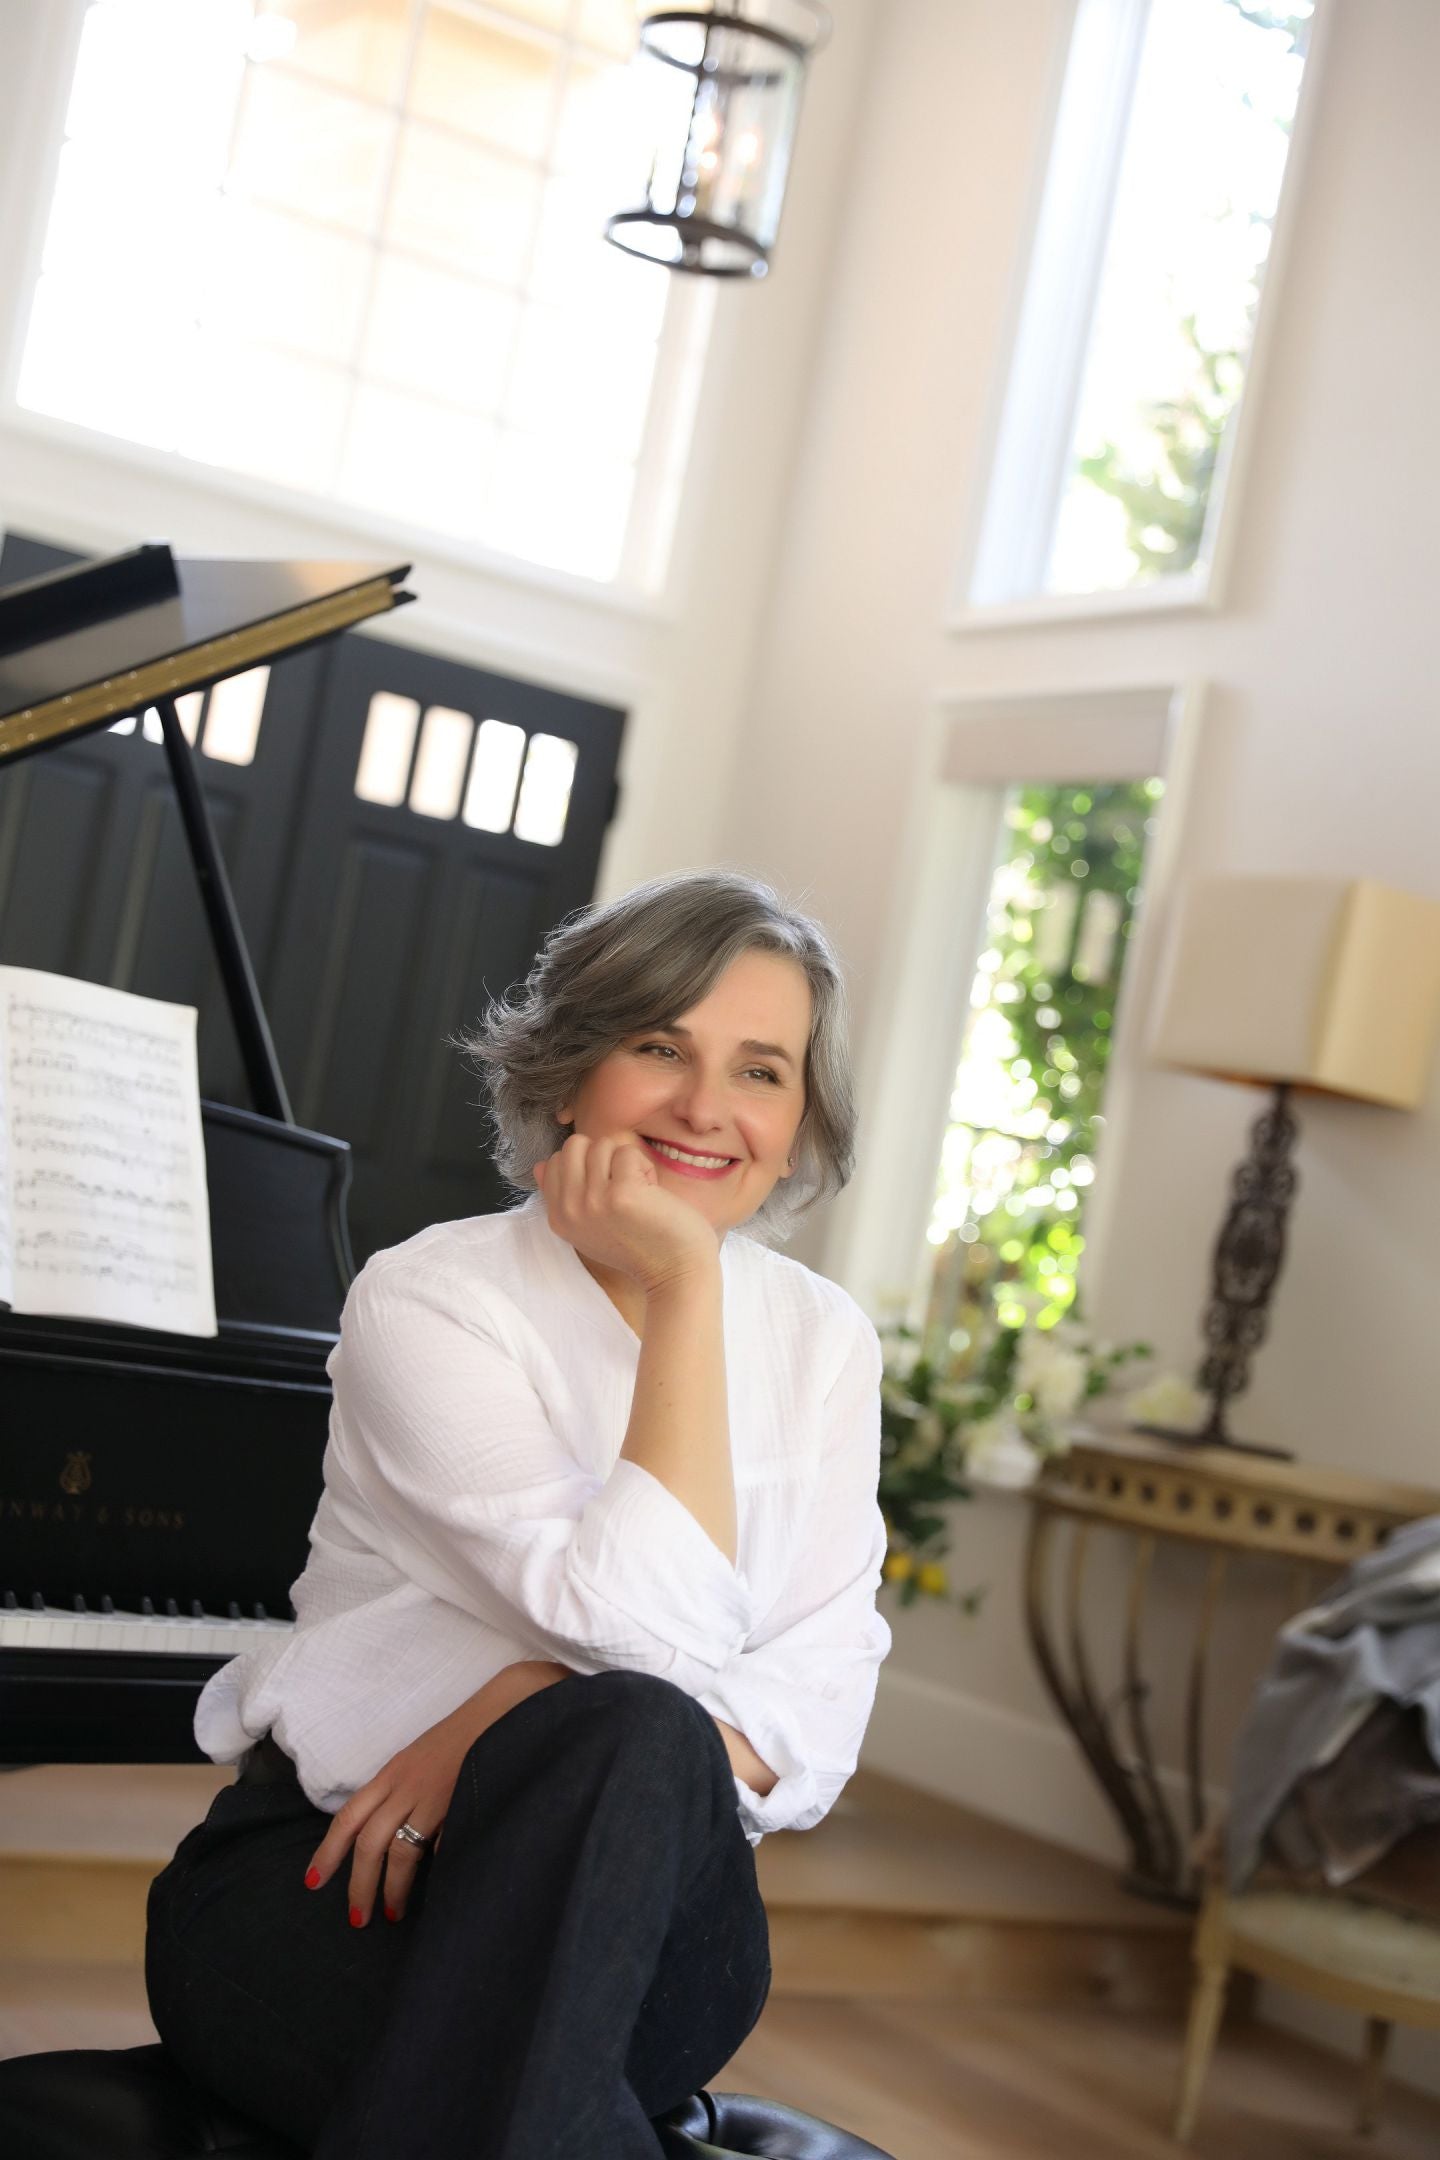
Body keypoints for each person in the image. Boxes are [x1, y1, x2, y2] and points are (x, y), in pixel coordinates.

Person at [145, 869, 892, 2159]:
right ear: (569, 1070)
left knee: (638, 1735)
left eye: (762, 1071)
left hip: (656, 1929)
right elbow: (646, 1641)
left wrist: (519, 1702)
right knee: (631, 1744)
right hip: (344, 1891)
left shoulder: (823, 1341)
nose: (707, 1107)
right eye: (661, 1047)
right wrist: (688, 1281)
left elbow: (819, 1715)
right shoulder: (431, 1298)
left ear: (798, 1116)